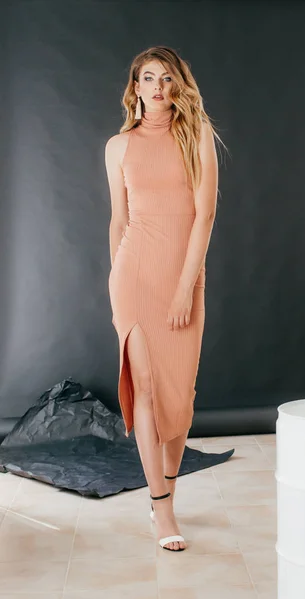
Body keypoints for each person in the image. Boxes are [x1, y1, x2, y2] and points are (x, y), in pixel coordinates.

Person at [105, 46, 223, 552]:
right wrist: (117, 274)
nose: (156, 87)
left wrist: (183, 288)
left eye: (166, 78)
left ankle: (167, 487)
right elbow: (119, 218)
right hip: (133, 276)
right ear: (135, 88)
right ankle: (162, 509)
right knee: (148, 388)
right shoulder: (117, 146)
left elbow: (205, 217)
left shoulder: (196, 135)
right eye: (147, 78)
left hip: (181, 276)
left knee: (180, 395)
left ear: (179, 85)